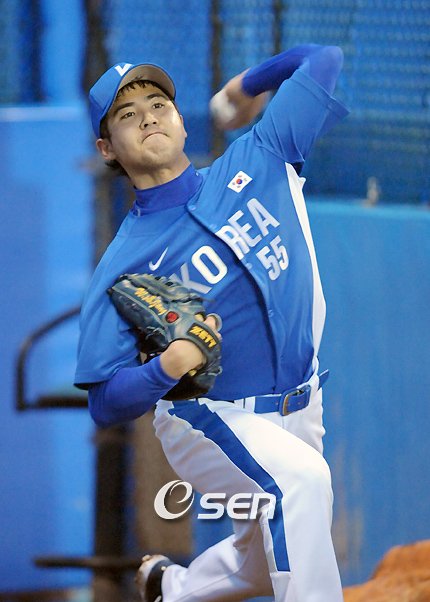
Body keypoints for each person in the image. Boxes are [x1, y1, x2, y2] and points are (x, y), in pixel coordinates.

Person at [75, 43, 349, 602]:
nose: (148, 117)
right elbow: (104, 400)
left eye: (159, 104)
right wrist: (162, 371)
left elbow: (322, 59)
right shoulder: (122, 266)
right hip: (208, 418)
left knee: (263, 562)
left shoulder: (261, 154)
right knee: (300, 483)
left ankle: (169, 587)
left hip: (303, 403)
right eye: (127, 114)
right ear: (107, 148)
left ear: (181, 119)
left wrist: (245, 88)